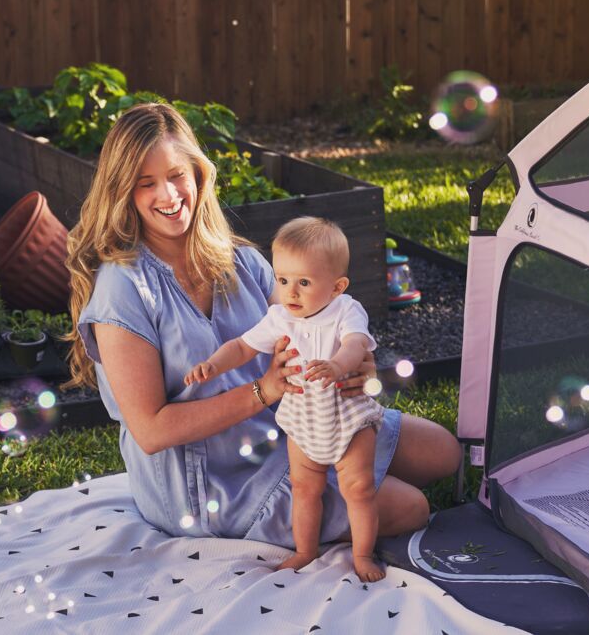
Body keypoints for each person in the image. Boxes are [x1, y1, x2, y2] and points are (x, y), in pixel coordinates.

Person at [64, 102, 461, 574]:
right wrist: (263, 391)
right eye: (146, 183)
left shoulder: (238, 261)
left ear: (198, 174)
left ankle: (341, 473)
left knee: (443, 451)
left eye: (176, 175)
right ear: (123, 192)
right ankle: (329, 490)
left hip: (288, 429)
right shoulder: (123, 290)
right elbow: (151, 431)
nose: (168, 194)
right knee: (411, 507)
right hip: (205, 483)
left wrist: (352, 364)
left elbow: (306, 326)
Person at [184, 216, 387, 580]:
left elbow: (356, 344)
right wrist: (213, 365)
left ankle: (362, 555)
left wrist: (338, 366)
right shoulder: (280, 317)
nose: (290, 292)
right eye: (283, 280)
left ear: (337, 286)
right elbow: (242, 346)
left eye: (304, 282)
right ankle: (305, 551)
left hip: (348, 416)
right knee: (304, 487)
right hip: (303, 418)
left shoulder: (346, 310)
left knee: (358, 488)